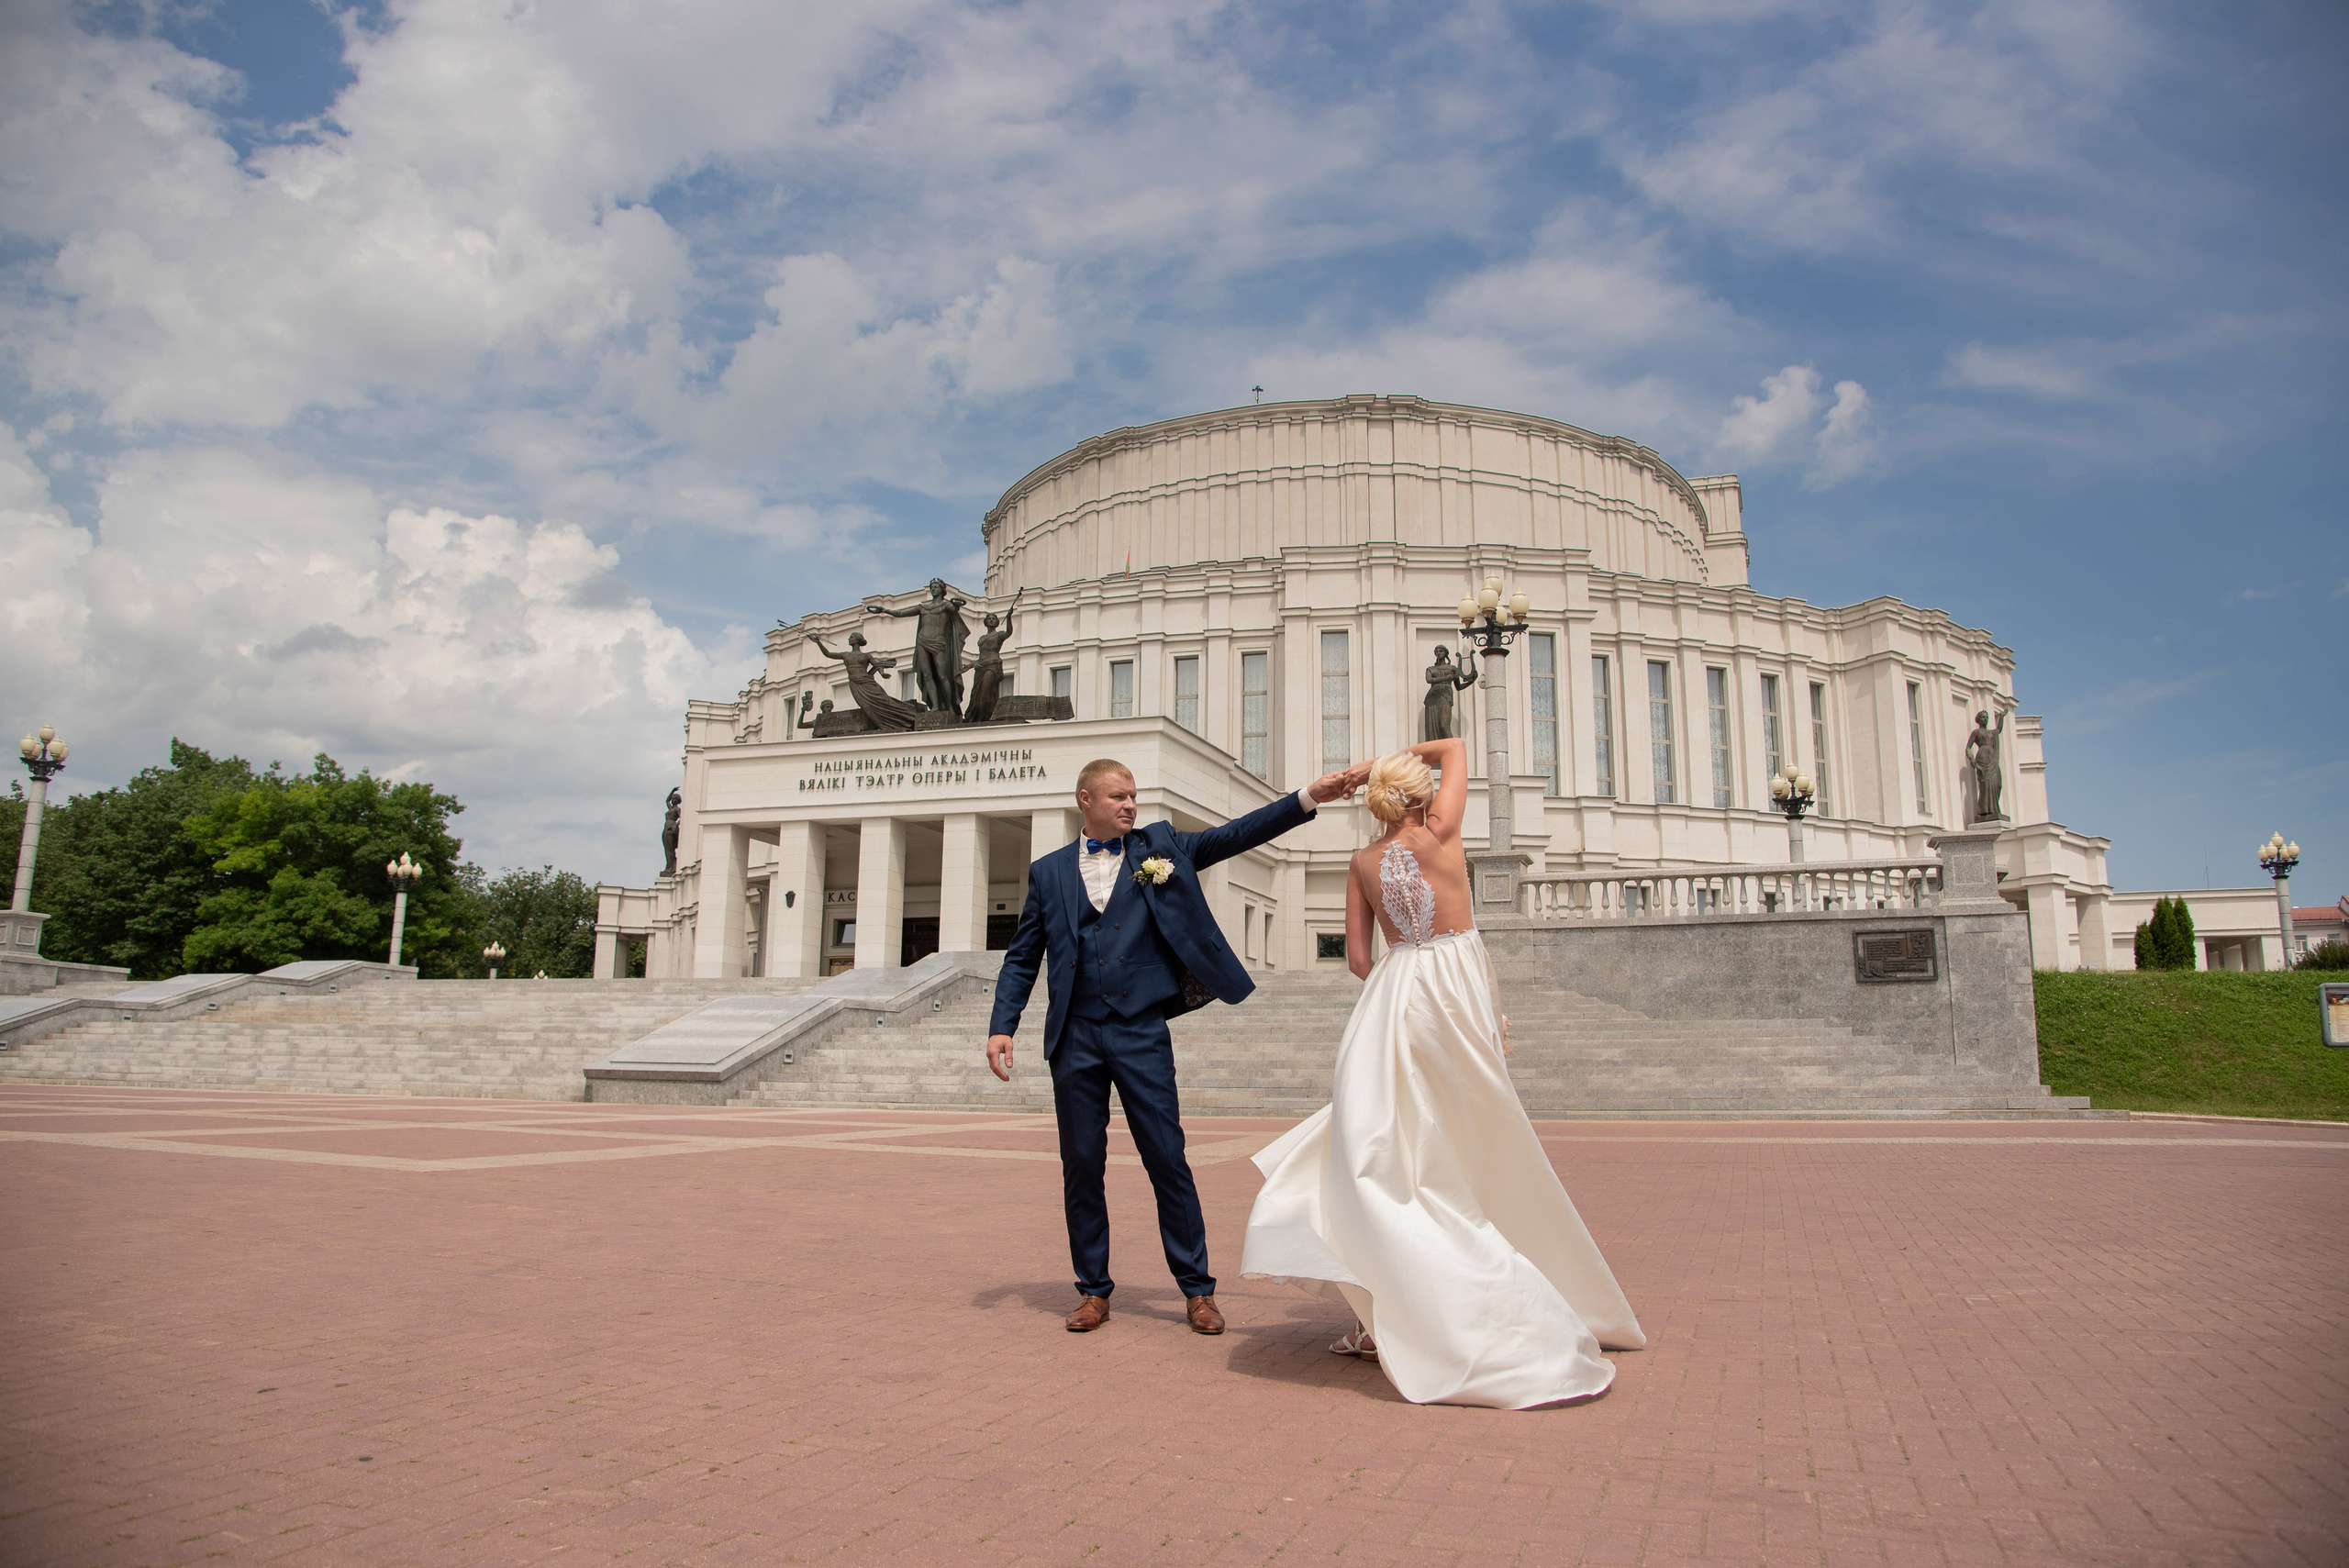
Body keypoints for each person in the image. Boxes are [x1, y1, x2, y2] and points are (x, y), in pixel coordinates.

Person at [1241, 736, 1646, 1407]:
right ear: (1418, 794)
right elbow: (1454, 744)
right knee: (1468, 1141)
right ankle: (1489, 1290)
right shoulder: (1443, 832)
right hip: (1455, 992)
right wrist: (1373, 766)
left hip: (1395, 1000)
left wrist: (1400, 985)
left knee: (1387, 1150)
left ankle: (1386, 1304)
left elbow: (1357, 959)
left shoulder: (1362, 860)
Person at [986, 755, 1370, 1337]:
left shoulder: (1160, 848)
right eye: (1117, 797)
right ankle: (1092, 1290)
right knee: (1082, 1167)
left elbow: (1234, 835)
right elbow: (1022, 957)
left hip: (1140, 1032)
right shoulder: (1048, 873)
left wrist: (1307, 797)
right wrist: (1001, 1025)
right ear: (1086, 802)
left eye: (1133, 795)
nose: (1129, 805)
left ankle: (1198, 1291)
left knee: (1167, 1159)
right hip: (1074, 1037)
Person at [868, 579, 971, 717]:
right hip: (922, 641)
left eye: (936, 587)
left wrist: (957, 604)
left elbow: (954, 610)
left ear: (942, 590)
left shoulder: (946, 606)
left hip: (938, 643)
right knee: (927, 675)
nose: (933, 589)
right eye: (931, 587)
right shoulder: (923, 608)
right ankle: (934, 706)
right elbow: (901, 613)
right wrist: (885, 610)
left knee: (942, 675)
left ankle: (950, 707)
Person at [808, 630, 924, 732]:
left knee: (884, 701)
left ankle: (911, 716)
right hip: (855, 683)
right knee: (867, 706)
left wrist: (883, 674)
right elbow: (828, 654)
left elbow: (877, 665)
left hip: (867, 682)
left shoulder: (866, 656)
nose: (849, 639)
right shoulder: (846, 655)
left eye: (851, 637)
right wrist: (818, 642)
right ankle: (884, 724)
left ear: (857, 640)